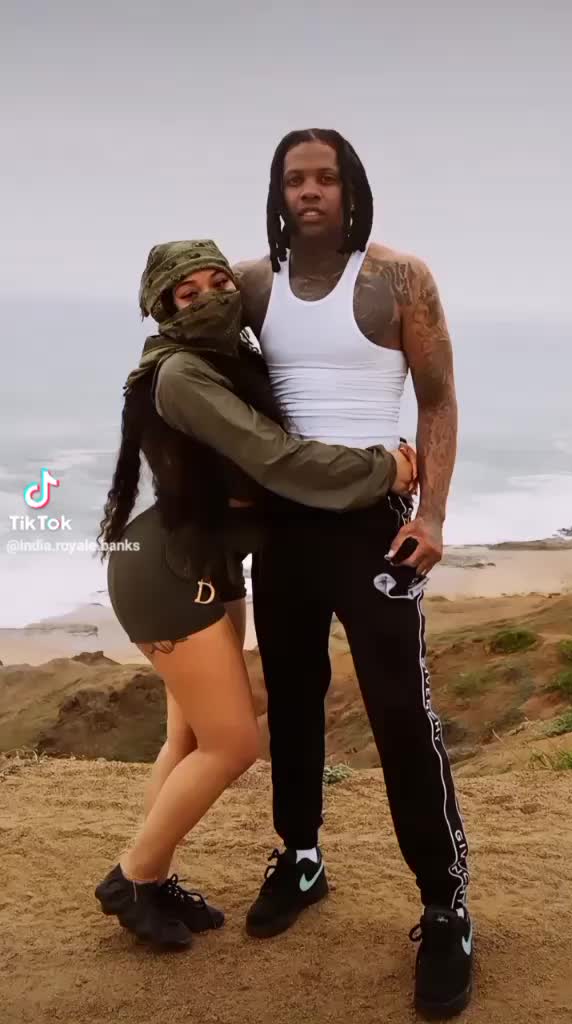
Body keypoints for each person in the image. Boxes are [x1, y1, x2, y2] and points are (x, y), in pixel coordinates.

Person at [93, 238, 417, 950]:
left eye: (219, 282)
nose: (211, 298)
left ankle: (152, 877)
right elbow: (276, 459)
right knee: (234, 744)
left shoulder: (226, 359)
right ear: (163, 309)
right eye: (189, 293)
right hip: (168, 576)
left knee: (188, 738)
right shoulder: (182, 373)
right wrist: (382, 470)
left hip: (208, 567)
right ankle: (130, 877)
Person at [234, 130, 473, 1019]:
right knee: (292, 700)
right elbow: (199, 368)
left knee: (400, 713)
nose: (310, 191)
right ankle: (301, 857)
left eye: (325, 178)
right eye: (294, 179)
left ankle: (445, 905)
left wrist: (432, 514)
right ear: (278, 192)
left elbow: (437, 396)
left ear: (351, 189)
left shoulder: (398, 279)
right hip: (282, 529)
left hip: (375, 527)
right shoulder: (251, 285)